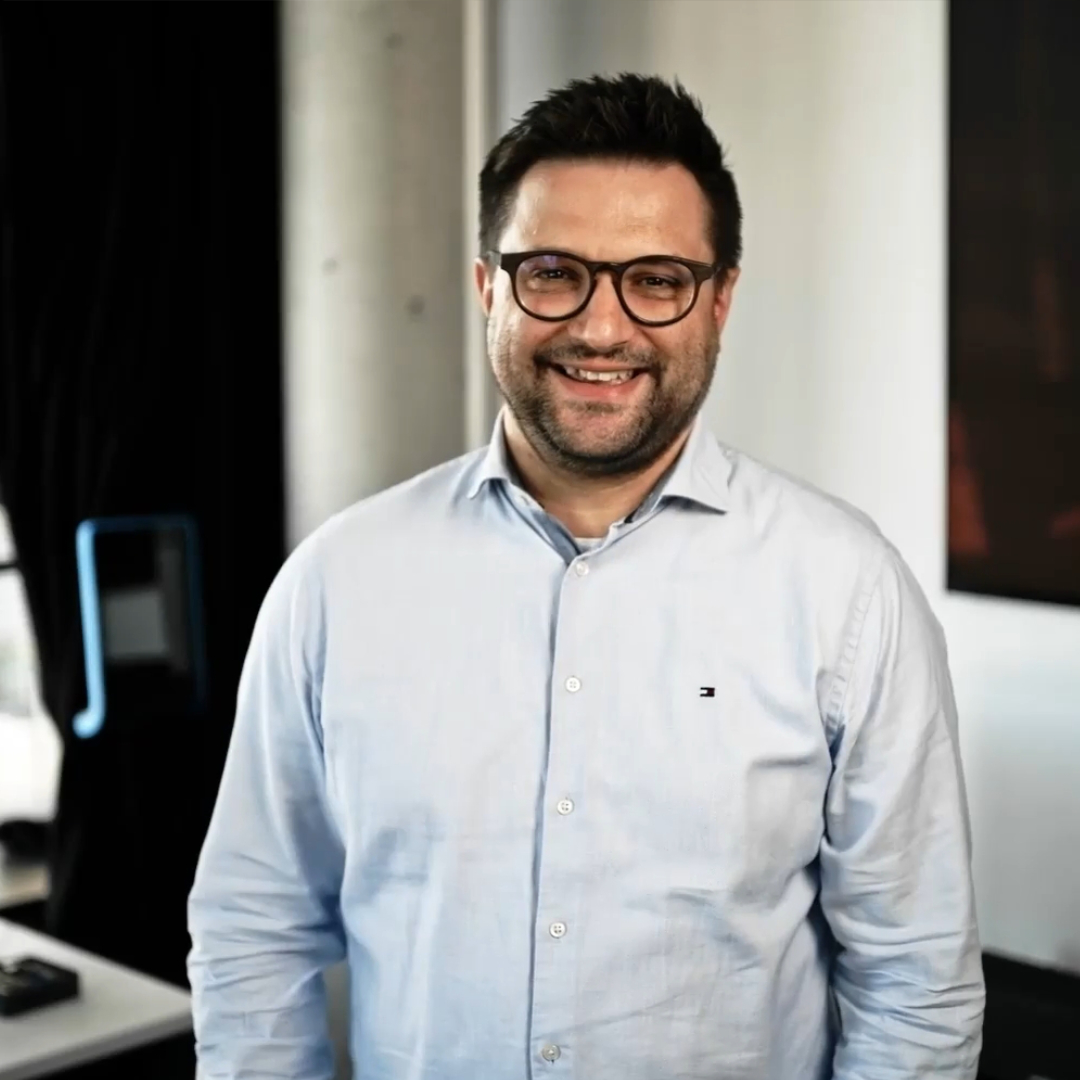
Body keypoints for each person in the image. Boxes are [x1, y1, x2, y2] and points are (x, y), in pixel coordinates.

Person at [188, 74, 985, 1079]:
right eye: (554, 272)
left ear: (720, 301)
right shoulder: (333, 586)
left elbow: (915, 979)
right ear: (488, 288)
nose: (602, 329)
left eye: (656, 280)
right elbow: (255, 930)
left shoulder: (847, 592)